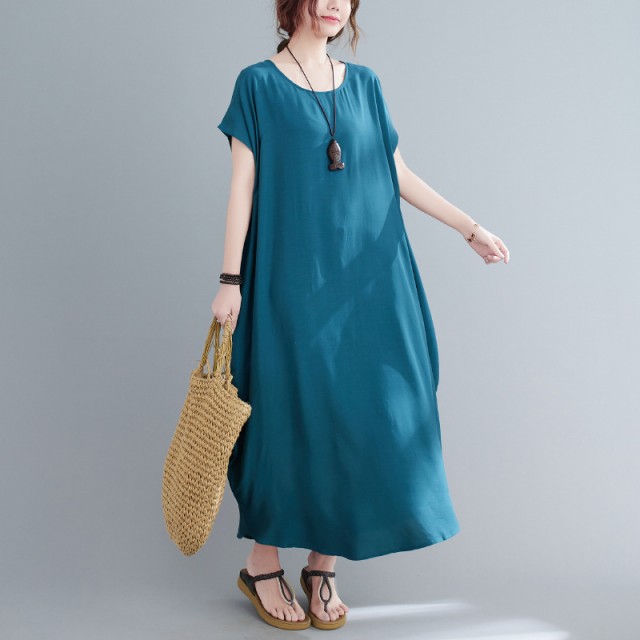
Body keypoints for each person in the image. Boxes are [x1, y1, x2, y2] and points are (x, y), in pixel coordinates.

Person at [212, 0, 510, 632]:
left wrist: (469, 227)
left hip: (370, 282)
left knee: (368, 414)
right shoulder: (257, 84)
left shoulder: (366, 83)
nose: (334, 4)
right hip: (292, 279)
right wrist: (229, 280)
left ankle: (322, 566)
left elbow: (394, 171)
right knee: (286, 414)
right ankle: (262, 564)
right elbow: (243, 183)